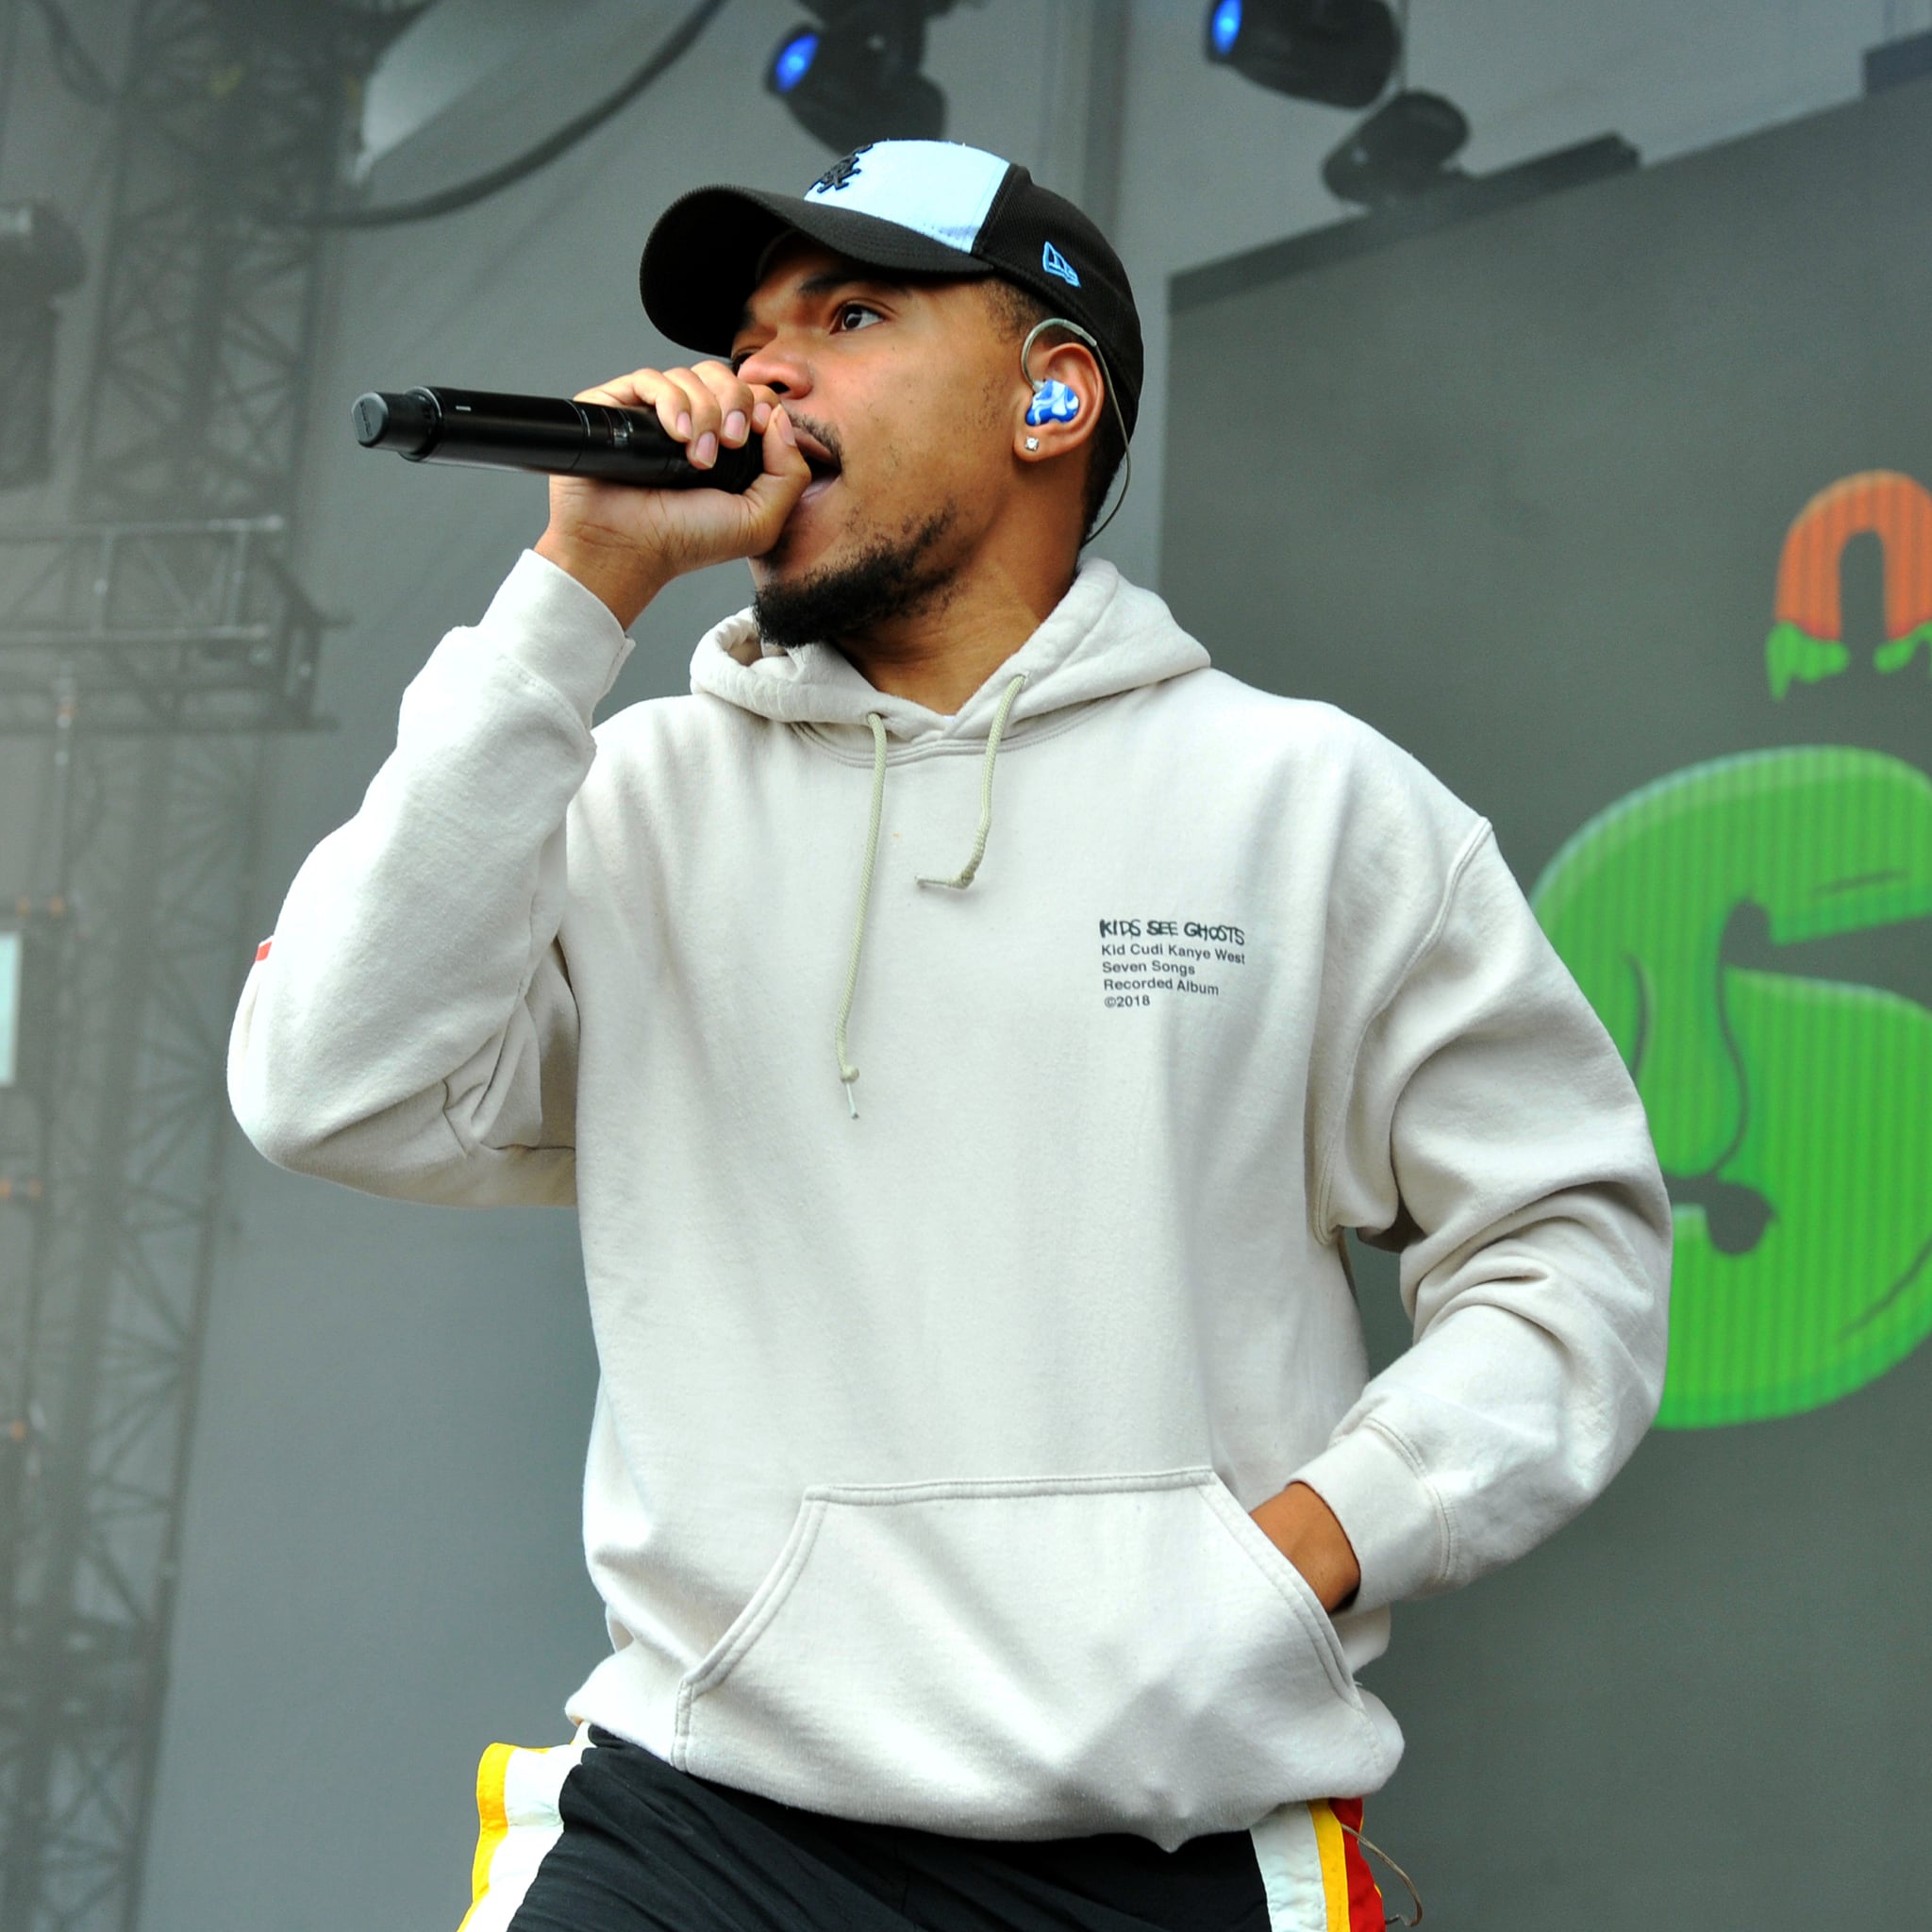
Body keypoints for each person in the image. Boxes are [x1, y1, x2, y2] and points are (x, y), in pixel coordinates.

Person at [228, 139, 1671, 1932]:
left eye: (848, 314)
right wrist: (572, 600)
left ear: (1052, 393)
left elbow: (1570, 1249)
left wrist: (1307, 1549)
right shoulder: (628, 792)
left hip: (1171, 1848)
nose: (766, 375)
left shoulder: (1312, 807)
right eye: (750, 338)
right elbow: (325, 1086)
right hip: (699, 1823)